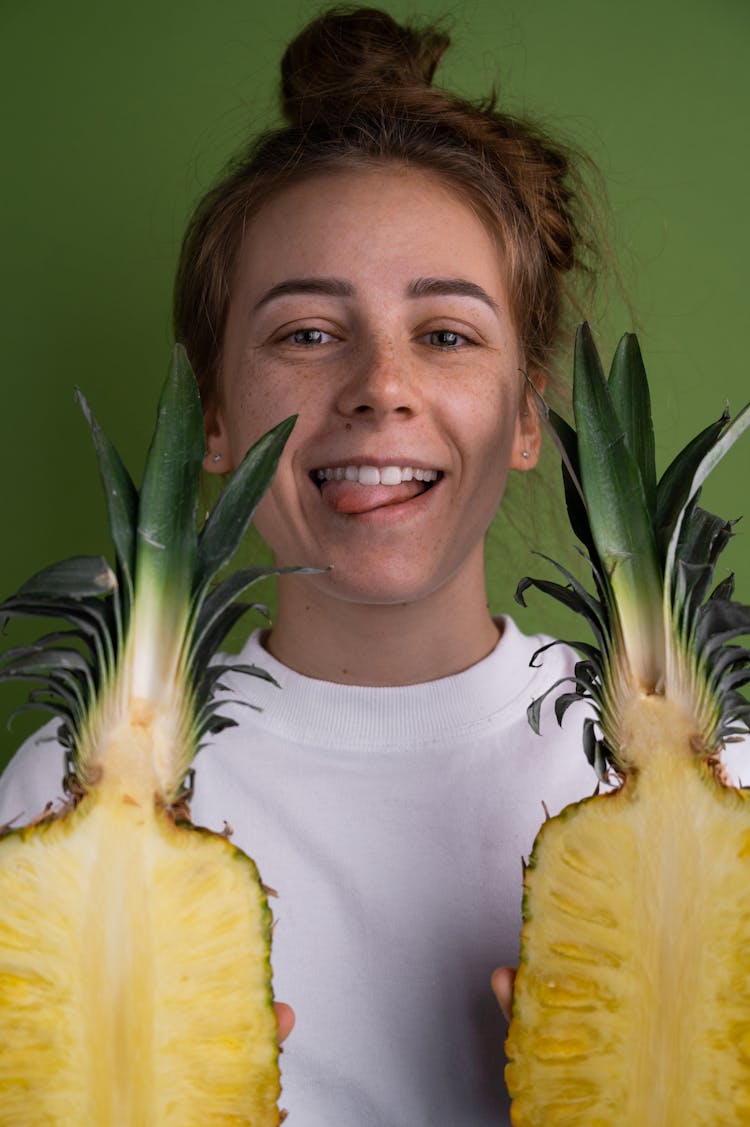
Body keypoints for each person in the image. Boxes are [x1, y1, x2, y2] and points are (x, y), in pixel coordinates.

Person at [0, 7, 607, 1124]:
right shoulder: (60, 796)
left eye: (447, 332)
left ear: (526, 416)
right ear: (215, 420)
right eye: (308, 334)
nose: (381, 384)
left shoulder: (725, 792)